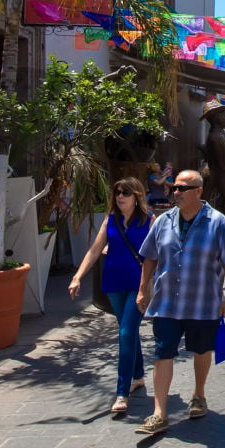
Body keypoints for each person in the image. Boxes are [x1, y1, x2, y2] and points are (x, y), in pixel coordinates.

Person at [135, 170, 225, 436]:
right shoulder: (163, 222)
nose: (176, 192)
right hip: (166, 303)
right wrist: (142, 289)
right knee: (163, 353)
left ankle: (198, 394)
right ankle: (159, 413)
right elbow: (149, 256)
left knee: (201, 350)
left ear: (198, 191)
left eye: (183, 188)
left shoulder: (217, 222)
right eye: (175, 188)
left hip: (202, 302)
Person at [69, 177, 154, 413]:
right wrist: (78, 277)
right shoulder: (111, 221)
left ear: (136, 196)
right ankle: (137, 376)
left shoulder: (149, 221)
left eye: (125, 193)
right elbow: (95, 250)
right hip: (114, 283)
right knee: (128, 331)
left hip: (138, 286)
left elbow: (155, 256)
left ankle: (121, 393)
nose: (120, 197)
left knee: (126, 332)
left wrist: (147, 286)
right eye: (117, 192)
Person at [200, 97, 225, 221]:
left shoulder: (224, 133)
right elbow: (223, 164)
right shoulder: (215, 137)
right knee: (222, 205)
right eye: (224, 115)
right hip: (219, 176)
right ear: (216, 117)